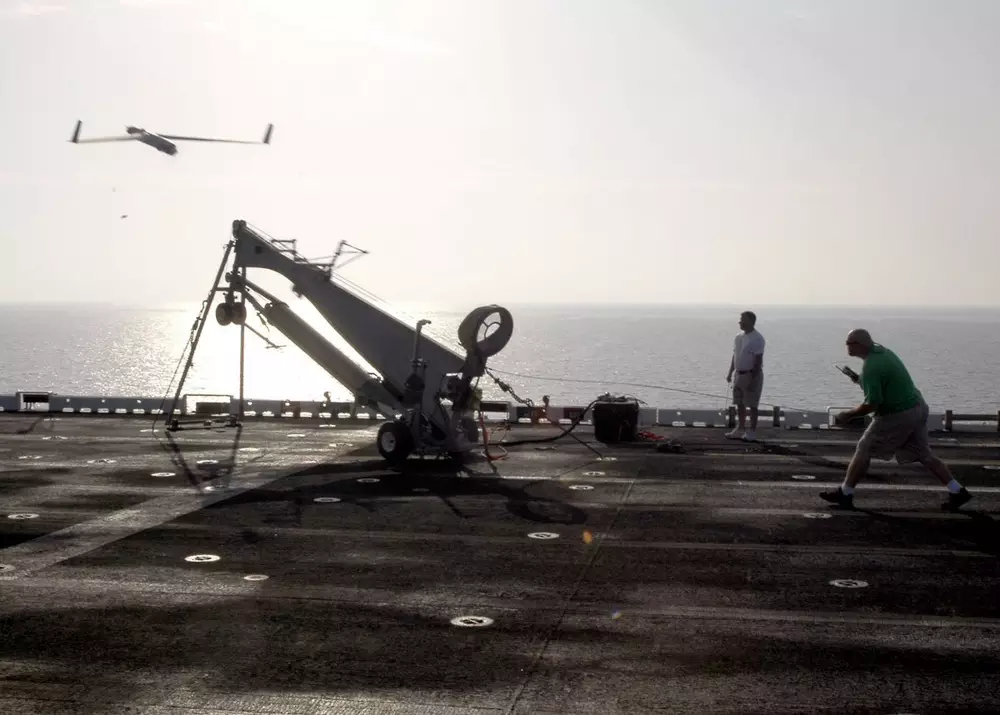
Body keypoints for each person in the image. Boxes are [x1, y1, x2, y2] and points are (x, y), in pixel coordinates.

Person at [820, 329, 972, 511]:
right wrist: (859, 379)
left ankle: (845, 494)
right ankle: (957, 490)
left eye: (849, 343)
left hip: (899, 413)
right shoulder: (883, 352)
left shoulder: (871, 367)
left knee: (864, 448)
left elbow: (872, 404)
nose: (847, 346)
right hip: (917, 406)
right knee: (923, 453)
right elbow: (884, 382)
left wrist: (848, 415)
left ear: (860, 344)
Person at [726, 310, 765, 441]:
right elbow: (735, 355)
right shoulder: (738, 337)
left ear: (750, 322)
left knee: (752, 404)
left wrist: (754, 379)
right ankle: (740, 428)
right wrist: (730, 372)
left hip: (751, 374)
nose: (740, 322)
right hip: (739, 374)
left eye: (742, 320)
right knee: (739, 403)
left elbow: (758, 360)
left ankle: (752, 432)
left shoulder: (757, 338)